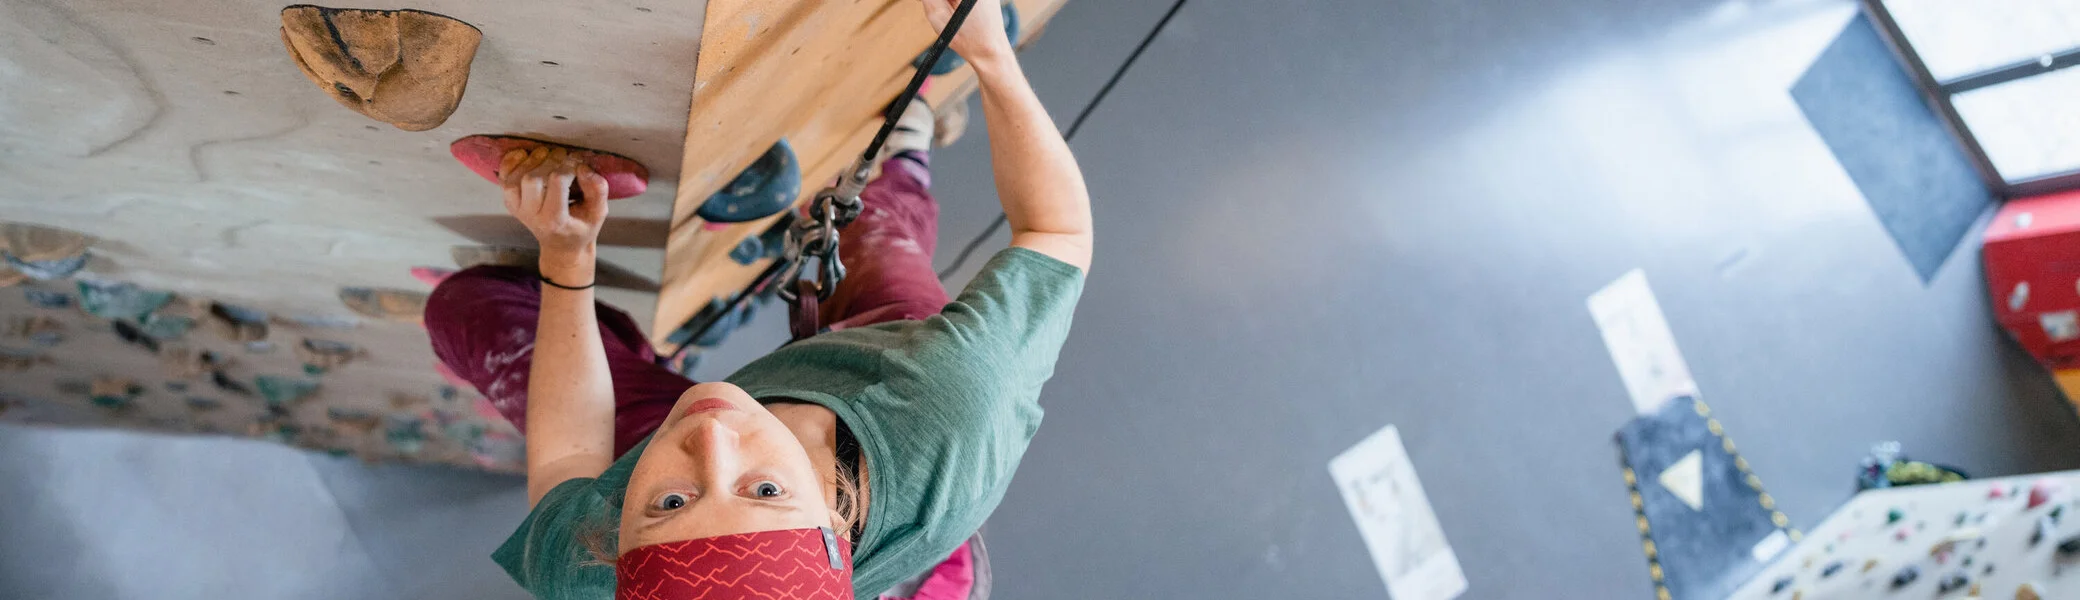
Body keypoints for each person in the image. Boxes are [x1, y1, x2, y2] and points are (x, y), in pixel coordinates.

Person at [423, 0, 1093, 596]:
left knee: (468, 311)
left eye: (669, 503)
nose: (711, 434)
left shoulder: (587, 569)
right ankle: (905, 164)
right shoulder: (948, 408)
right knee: (872, 230)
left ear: (613, 545)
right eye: (766, 491)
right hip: (889, 374)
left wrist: (567, 261)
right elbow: (1056, 232)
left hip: (741, 455)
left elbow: (570, 460)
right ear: (836, 517)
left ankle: (644, 375)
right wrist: (990, 55)